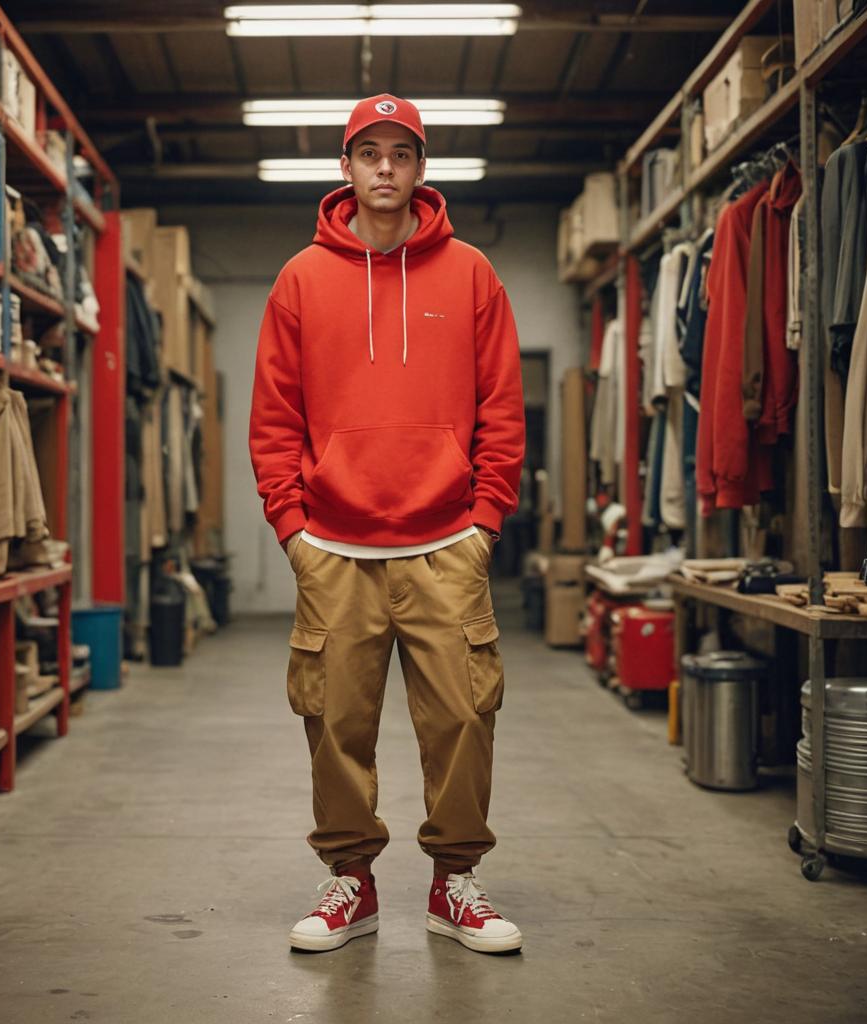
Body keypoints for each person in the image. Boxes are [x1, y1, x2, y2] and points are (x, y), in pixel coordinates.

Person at [249, 94, 525, 955]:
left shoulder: (472, 272)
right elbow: (273, 419)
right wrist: (292, 527)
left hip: (447, 543)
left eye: (400, 153)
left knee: (463, 718)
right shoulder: (301, 277)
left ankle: (455, 885)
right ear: (345, 168)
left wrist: (484, 522)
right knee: (333, 721)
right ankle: (351, 883)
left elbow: (503, 410)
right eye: (368, 152)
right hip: (333, 546)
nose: (384, 169)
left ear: (420, 169)